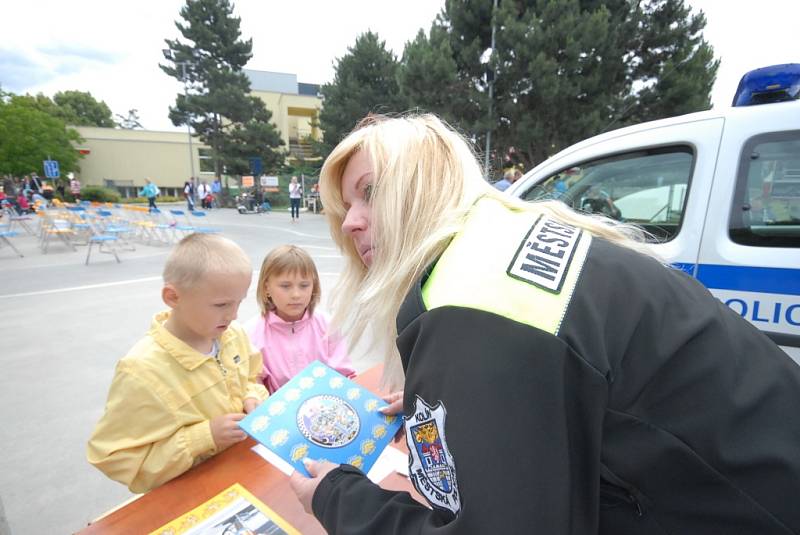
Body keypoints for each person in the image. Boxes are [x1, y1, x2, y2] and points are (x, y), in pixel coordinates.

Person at [288, 114, 800, 534]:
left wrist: (338, 497)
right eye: (345, 206)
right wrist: (449, 403)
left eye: (370, 192)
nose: (351, 221)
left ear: (425, 186)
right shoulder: (501, 247)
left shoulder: (476, 306)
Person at [86, 233, 269, 493]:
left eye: (239, 302)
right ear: (173, 297)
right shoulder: (141, 371)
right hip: (189, 491)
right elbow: (114, 457)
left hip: (241, 469)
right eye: (221, 304)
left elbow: (253, 375)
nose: (234, 314)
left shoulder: (233, 334)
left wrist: (253, 397)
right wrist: (203, 437)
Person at [245, 245, 354, 394]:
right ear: (266, 288)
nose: (296, 294)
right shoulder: (252, 334)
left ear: (313, 286)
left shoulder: (328, 326)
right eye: (285, 286)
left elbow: (344, 375)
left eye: (304, 285)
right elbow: (252, 386)